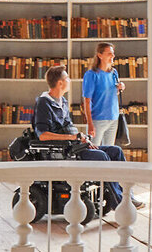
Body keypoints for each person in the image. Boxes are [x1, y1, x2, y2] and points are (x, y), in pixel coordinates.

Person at [32, 66, 141, 208]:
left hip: (75, 146)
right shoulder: (43, 103)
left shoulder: (63, 102)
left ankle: (128, 195)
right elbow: (43, 135)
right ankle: (120, 202)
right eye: (67, 78)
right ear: (60, 83)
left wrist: (84, 140)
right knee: (102, 156)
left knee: (116, 151)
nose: (70, 80)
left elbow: (68, 126)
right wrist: (72, 138)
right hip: (64, 151)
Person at [81, 42, 124, 147]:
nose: (113, 56)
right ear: (100, 55)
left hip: (113, 119)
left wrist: (120, 88)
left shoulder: (114, 73)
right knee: (93, 152)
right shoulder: (91, 75)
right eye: (109, 53)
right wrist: (90, 124)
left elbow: (110, 94)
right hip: (97, 120)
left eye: (113, 53)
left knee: (109, 150)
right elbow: (86, 101)